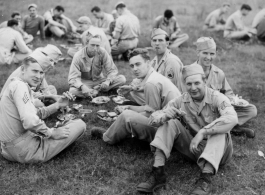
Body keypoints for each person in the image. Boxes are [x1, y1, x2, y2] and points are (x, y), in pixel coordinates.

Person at [136, 64, 238, 194]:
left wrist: (203, 131)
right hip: (194, 149)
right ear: (184, 84)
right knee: (169, 122)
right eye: (189, 84)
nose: (193, 88)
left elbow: (232, 118)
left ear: (205, 81)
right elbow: (152, 119)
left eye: (197, 83)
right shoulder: (180, 100)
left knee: (220, 130)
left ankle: (205, 179)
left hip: (220, 153)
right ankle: (158, 172)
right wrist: (165, 116)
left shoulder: (217, 98)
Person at [0, 54, 86, 163]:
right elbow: (30, 121)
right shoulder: (20, 86)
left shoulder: (16, 84)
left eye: (41, 73)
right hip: (24, 151)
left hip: (6, 150)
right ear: (22, 69)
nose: (39, 76)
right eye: (34, 71)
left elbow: (35, 114)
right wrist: (51, 133)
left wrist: (58, 105)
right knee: (80, 124)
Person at [90, 48, 181, 145]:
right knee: (130, 111)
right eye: (132, 66)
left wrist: (129, 110)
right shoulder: (154, 76)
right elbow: (154, 109)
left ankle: (107, 137)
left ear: (148, 63)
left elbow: (152, 113)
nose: (135, 69)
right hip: (172, 123)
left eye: (138, 64)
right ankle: (120, 130)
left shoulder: (151, 83)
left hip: (169, 130)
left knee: (126, 116)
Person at [185, 37, 257, 138]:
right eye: (205, 53)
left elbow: (228, 93)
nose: (208, 57)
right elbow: (182, 98)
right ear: (198, 53)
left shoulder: (219, 73)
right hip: (197, 113)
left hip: (216, 112)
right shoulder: (188, 72)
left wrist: (233, 100)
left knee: (251, 110)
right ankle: (229, 128)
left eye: (212, 54)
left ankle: (224, 127)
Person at [119, 28, 183, 106]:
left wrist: (138, 88)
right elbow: (147, 78)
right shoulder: (155, 60)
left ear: (167, 43)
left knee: (134, 92)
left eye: (160, 40)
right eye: (154, 40)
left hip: (171, 101)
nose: (157, 43)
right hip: (158, 92)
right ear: (151, 44)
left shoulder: (171, 61)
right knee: (134, 86)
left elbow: (170, 89)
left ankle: (148, 108)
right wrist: (133, 87)